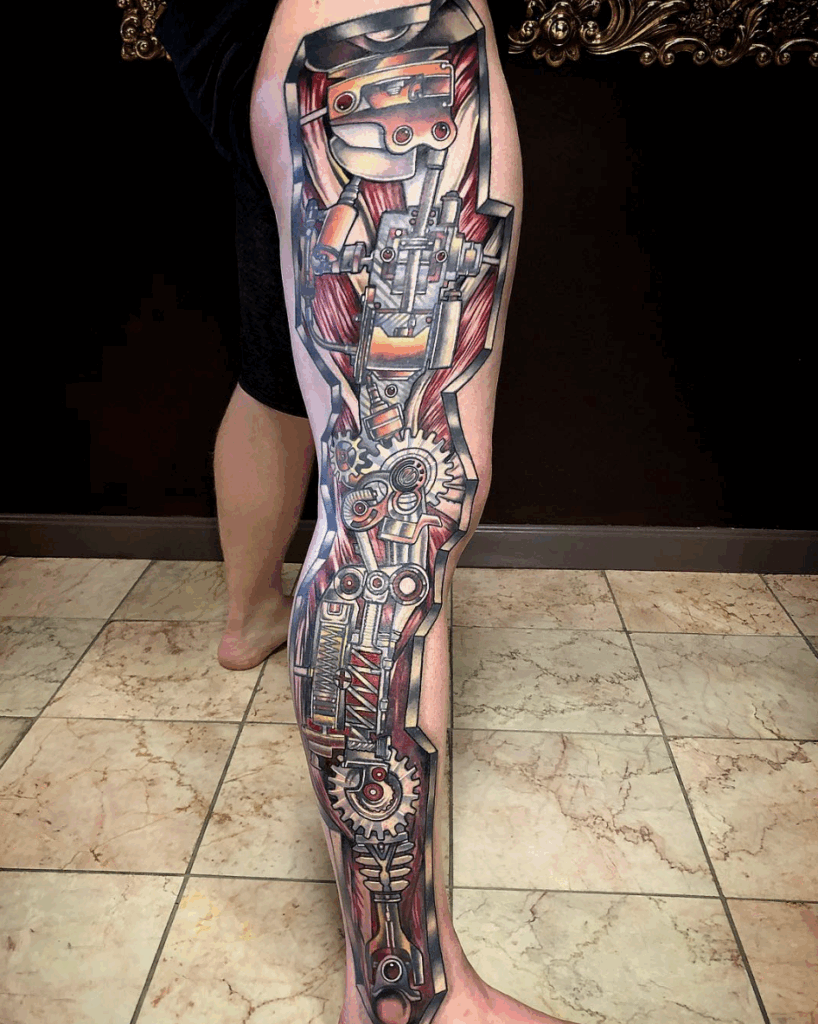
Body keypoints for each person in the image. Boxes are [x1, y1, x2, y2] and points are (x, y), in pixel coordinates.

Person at [159, 2, 579, 1021]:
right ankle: (407, 1001)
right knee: (397, 509)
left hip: (244, 28)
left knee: (287, 382)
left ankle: (248, 616)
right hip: (356, 15)